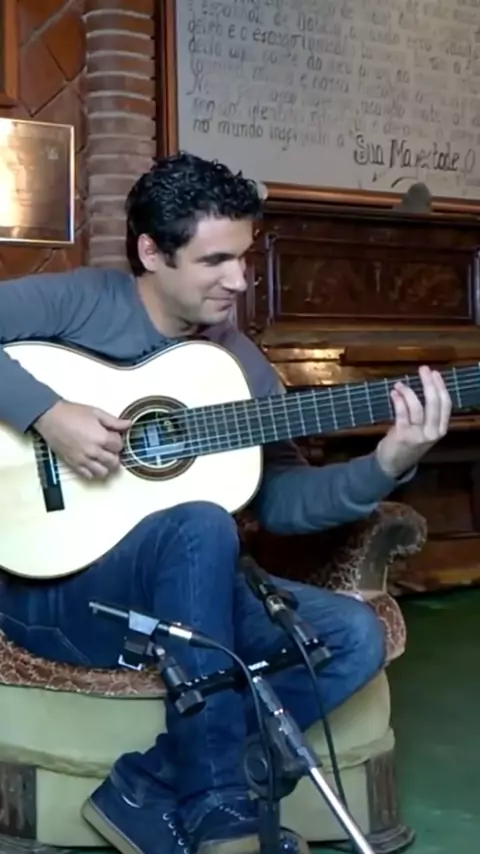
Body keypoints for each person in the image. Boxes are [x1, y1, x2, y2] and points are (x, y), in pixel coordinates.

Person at [0, 152, 451, 854]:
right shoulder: (84, 301)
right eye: (215, 260)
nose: (239, 280)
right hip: (54, 595)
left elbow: (283, 503)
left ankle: (148, 791)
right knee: (202, 525)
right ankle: (221, 815)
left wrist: (386, 463)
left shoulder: (239, 362)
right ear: (153, 253)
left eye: (243, 256)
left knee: (351, 636)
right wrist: (48, 413)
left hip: (182, 600)